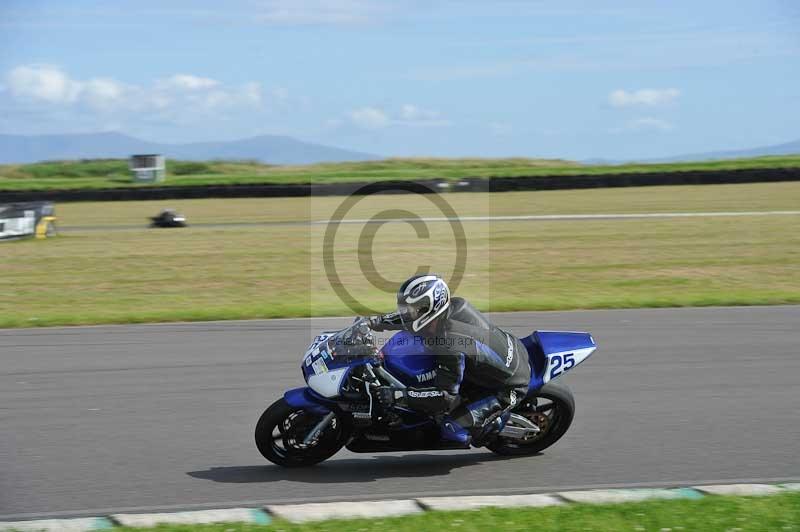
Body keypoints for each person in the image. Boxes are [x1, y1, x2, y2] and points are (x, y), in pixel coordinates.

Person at [368, 274, 531, 446]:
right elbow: (411, 319)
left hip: (508, 386)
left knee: (453, 429)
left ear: (430, 309)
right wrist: (376, 322)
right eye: (406, 308)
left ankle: (492, 425)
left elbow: (445, 398)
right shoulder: (454, 306)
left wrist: (400, 395)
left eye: (413, 309)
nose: (408, 313)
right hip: (504, 352)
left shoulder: (450, 345)